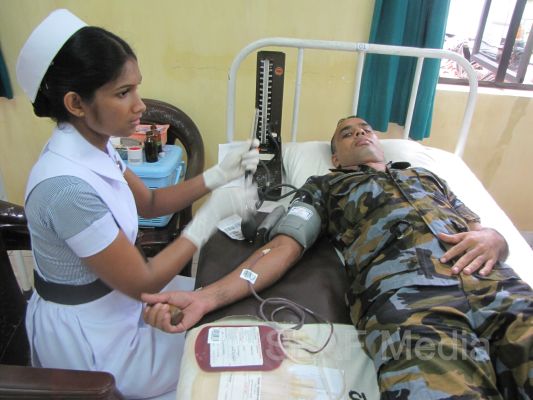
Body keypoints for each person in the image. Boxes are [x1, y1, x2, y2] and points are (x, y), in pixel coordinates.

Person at [143, 116, 533, 399]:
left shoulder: (427, 178)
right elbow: (283, 247)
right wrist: (205, 298)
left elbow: (479, 227)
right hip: (414, 306)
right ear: (335, 158)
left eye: (366, 129)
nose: (360, 133)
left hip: (498, 288)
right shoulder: (326, 187)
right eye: (347, 133)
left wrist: (496, 238)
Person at [16, 9, 259, 400]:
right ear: (76, 103)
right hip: (91, 338)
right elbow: (142, 282)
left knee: (220, 304)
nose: (140, 105)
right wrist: (211, 215)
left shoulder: (96, 146)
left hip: (118, 302)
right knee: (213, 362)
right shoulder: (66, 189)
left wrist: (217, 175)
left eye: (136, 88)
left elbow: (150, 202)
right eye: (122, 93)